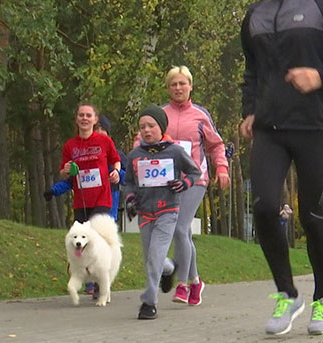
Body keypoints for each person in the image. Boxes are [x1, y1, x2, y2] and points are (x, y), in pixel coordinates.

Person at [239, 0, 323, 336]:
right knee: (265, 207)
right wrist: (249, 109)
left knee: (311, 213)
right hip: (269, 128)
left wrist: (321, 75)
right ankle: (287, 294)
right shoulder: (255, 14)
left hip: (316, 125)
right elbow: (253, 70)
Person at [123, 105, 201, 320]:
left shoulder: (175, 151)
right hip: (145, 213)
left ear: (161, 127)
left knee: (155, 256)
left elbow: (195, 171)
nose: (146, 131)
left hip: (168, 211)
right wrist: (130, 199)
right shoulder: (135, 155)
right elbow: (128, 183)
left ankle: (149, 303)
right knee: (151, 258)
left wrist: (184, 183)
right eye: (142, 127)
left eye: (151, 126)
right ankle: (169, 268)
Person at [160, 66, 230, 306]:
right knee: (185, 234)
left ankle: (181, 284)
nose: (178, 88)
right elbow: (144, 138)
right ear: (168, 88)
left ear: (190, 86)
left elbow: (216, 145)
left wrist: (222, 168)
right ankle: (196, 281)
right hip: (167, 180)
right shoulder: (161, 114)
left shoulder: (200, 115)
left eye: (182, 84)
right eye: (173, 84)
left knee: (179, 228)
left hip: (195, 179)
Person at [45, 115, 126, 221]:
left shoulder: (116, 155)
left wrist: (116, 173)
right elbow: (71, 181)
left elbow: (130, 178)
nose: (100, 132)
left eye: (103, 129)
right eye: (97, 129)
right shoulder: (81, 156)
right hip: (85, 205)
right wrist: (54, 191)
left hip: (107, 206)